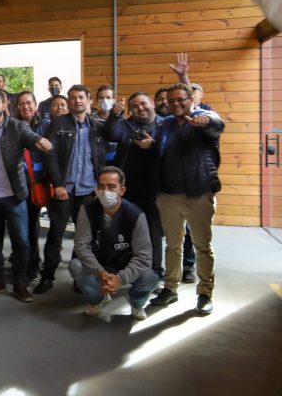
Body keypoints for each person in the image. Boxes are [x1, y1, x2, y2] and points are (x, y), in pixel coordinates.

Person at [0, 89, 52, 302]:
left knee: (22, 241)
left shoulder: (17, 126)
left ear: (5, 104)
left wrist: (40, 142)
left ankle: (21, 284)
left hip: (13, 195)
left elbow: (30, 136)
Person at [149, 83, 224, 315]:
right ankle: (170, 288)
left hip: (199, 192)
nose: (176, 104)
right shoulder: (164, 126)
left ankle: (205, 292)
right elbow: (158, 153)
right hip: (169, 194)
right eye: (171, 101)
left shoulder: (202, 120)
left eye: (181, 99)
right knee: (173, 245)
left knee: (202, 246)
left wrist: (205, 120)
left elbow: (216, 123)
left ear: (191, 100)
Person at [38, 84, 108, 294]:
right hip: (64, 190)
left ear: (89, 100)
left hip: (88, 191)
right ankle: (47, 276)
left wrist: (100, 185)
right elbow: (49, 155)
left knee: (84, 237)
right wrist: (58, 184)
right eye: (72, 98)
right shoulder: (58, 124)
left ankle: (79, 276)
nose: (76, 101)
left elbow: (103, 156)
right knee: (55, 234)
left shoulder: (99, 125)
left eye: (80, 97)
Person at [70, 167, 159, 320]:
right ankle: (98, 299)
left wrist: (120, 279)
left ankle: (137, 303)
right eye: (101, 186)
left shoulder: (136, 215)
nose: (105, 191)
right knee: (75, 266)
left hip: (126, 262)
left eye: (111, 187)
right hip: (100, 263)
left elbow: (143, 257)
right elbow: (81, 245)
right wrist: (100, 272)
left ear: (122, 190)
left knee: (151, 278)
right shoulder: (87, 209)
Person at [104, 93, 166, 280]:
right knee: (127, 231)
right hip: (128, 190)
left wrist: (152, 145)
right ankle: (128, 269)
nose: (140, 108)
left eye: (143, 104)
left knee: (153, 233)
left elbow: (171, 151)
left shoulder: (165, 124)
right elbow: (111, 134)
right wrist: (115, 115)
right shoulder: (126, 124)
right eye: (135, 106)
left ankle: (155, 271)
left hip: (156, 190)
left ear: (152, 104)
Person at [14, 91, 50, 281]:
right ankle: (22, 263)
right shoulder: (12, 126)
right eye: (21, 104)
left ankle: (33, 265)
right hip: (18, 185)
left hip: (39, 185)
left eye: (29, 103)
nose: (25, 107)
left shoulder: (46, 126)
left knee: (32, 227)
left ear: (36, 105)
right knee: (21, 229)